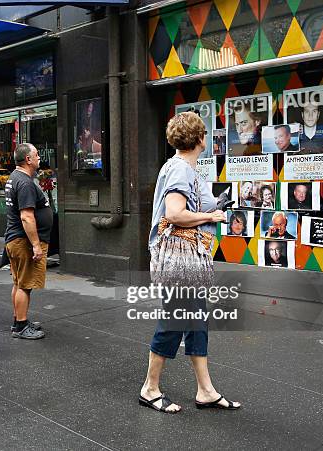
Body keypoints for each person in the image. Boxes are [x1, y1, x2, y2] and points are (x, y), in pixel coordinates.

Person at [140, 111, 240, 414]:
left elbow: (192, 205)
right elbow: (174, 212)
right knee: (176, 320)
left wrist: (215, 205)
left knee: (195, 322)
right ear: (199, 139)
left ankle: (206, 390)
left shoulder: (186, 169)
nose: (207, 139)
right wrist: (210, 216)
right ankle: (149, 388)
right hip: (179, 258)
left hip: (188, 257)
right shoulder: (181, 169)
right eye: (205, 134)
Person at [4, 143, 53, 339]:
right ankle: (21, 327)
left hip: (15, 239)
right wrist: (35, 245)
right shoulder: (24, 182)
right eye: (36, 155)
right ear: (28, 160)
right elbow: (26, 216)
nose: (39, 158)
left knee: (18, 282)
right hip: (24, 242)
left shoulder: (14, 178)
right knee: (25, 284)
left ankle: (19, 320)